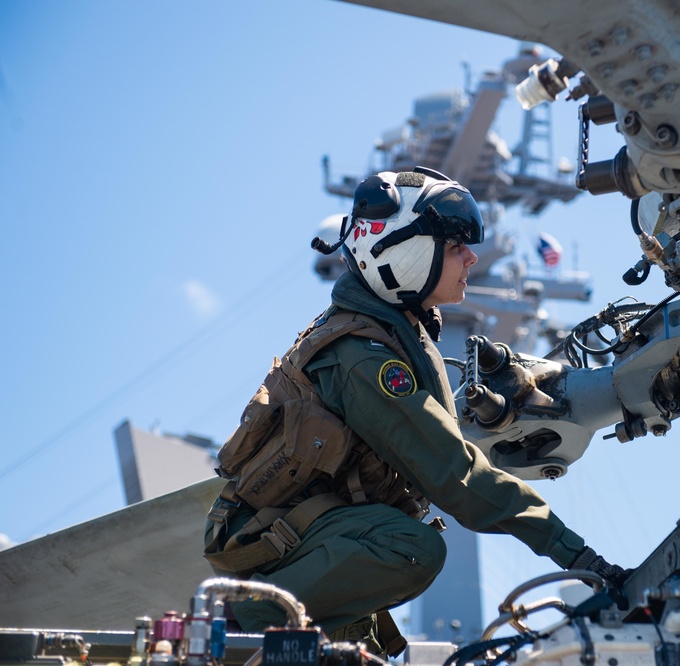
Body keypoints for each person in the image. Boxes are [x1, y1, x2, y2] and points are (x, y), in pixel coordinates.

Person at [203, 167, 625, 651]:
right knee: (412, 550)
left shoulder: (392, 331)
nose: (471, 257)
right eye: (453, 247)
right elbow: (455, 475)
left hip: (315, 538)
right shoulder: (364, 359)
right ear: (402, 255)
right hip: (277, 548)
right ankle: (241, 624)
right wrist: (577, 554)